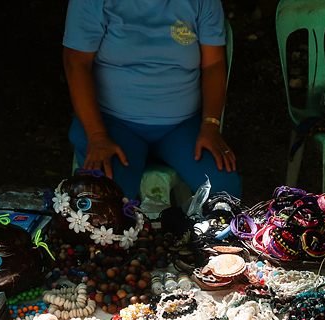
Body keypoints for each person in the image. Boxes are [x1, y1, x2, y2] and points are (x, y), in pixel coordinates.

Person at [62, 0, 243, 204]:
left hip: (183, 127)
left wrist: (210, 124)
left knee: (224, 191)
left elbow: (214, 63)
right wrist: (96, 136)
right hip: (111, 125)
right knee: (104, 201)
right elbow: (76, 63)